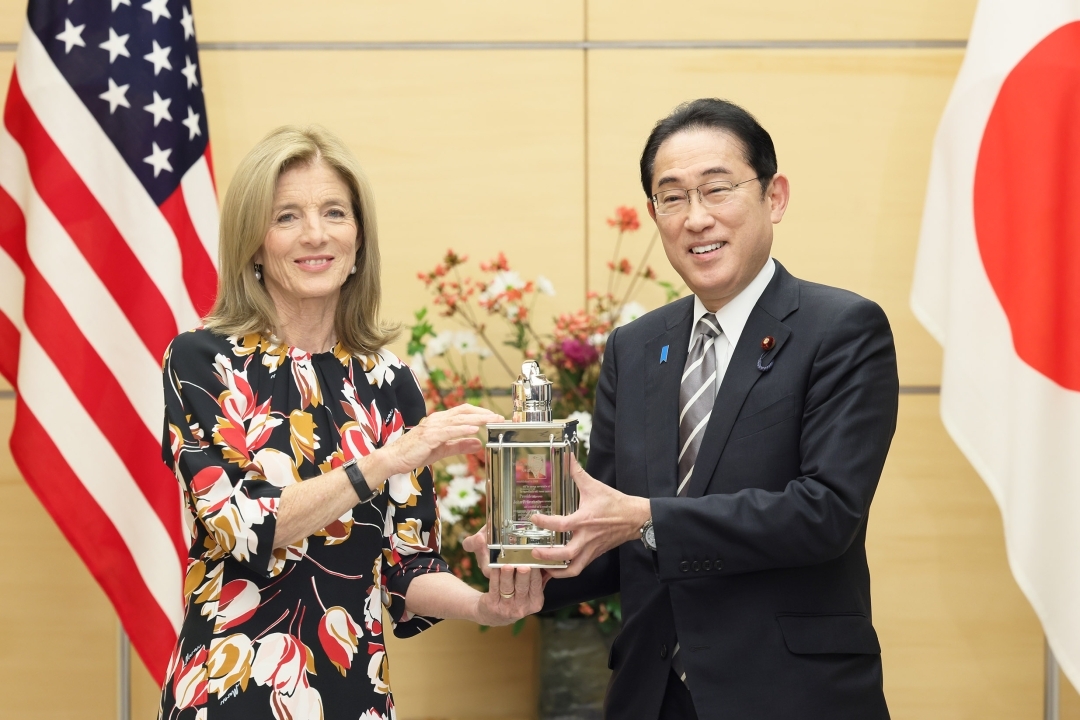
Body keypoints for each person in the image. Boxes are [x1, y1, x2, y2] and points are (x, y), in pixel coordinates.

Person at [500, 98, 898, 718]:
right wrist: (525, 559)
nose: (696, 218)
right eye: (673, 197)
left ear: (774, 197)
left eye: (717, 189)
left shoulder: (841, 329)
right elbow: (609, 528)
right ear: (654, 214)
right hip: (653, 695)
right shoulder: (635, 348)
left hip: (790, 694)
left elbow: (825, 512)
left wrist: (645, 518)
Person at [157, 126, 543, 720]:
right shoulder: (201, 361)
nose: (315, 234)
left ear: (358, 240)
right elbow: (243, 526)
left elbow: (408, 566)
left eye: (334, 212)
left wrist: (485, 607)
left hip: (354, 693)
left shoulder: (390, 383)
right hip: (229, 690)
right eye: (286, 216)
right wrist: (385, 460)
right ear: (253, 244)